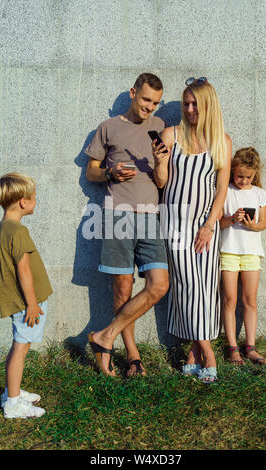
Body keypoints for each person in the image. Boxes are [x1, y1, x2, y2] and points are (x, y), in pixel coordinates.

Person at [85, 73, 169, 376]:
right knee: (123, 287)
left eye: (156, 103)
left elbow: (162, 182)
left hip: (150, 215)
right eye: (146, 99)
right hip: (117, 214)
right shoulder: (108, 128)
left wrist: (161, 163)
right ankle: (133, 357)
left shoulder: (160, 129)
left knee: (159, 285)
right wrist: (110, 172)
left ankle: (103, 336)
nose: (150, 107)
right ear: (133, 93)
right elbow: (90, 172)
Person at [152, 77, 231, 383]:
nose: (188, 109)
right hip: (175, 222)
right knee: (188, 286)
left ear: (208, 104)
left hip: (206, 225)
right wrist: (160, 162)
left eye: (195, 103)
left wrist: (210, 225)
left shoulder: (222, 141)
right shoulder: (170, 134)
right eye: (185, 103)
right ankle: (208, 353)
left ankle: (192, 355)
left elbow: (221, 190)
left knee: (206, 288)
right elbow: (161, 183)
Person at [0, 172, 53, 418]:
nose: (35, 200)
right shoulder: (18, 231)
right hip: (27, 303)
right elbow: (23, 270)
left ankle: (12, 391)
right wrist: (31, 303)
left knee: (20, 345)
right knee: (20, 348)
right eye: (34, 196)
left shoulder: (4, 227)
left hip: (21, 302)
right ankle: (13, 404)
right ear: (22, 202)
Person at [219, 147, 266, 365]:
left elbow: (263, 224)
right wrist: (233, 219)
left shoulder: (259, 194)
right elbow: (218, 222)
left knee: (249, 299)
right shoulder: (225, 191)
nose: (242, 180)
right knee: (230, 299)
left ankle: (250, 346)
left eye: (248, 177)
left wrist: (251, 224)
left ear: (254, 175)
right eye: (239, 175)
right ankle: (232, 348)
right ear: (232, 172)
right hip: (229, 251)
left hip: (251, 253)